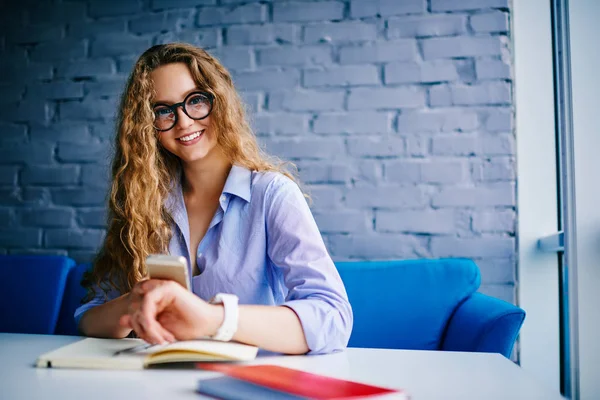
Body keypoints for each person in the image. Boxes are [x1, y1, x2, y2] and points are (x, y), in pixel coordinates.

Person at [75, 43, 353, 355]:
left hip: (248, 378)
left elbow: (333, 318)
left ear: (219, 102)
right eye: (163, 110)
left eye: (195, 101)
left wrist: (213, 319)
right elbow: (89, 318)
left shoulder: (272, 194)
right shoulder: (143, 203)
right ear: (147, 127)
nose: (183, 122)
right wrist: (134, 299)